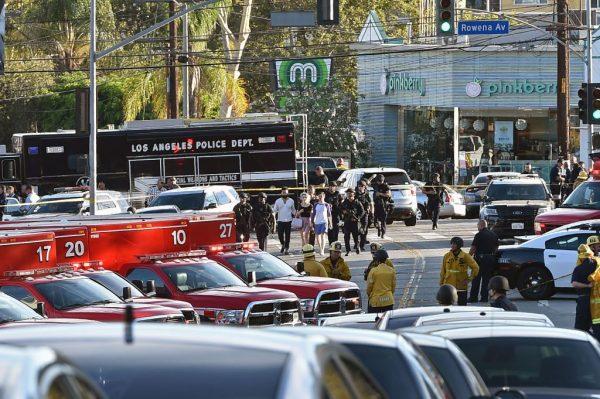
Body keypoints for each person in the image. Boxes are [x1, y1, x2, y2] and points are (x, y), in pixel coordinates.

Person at [440, 237, 479, 306]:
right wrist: (441, 284)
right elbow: (443, 270)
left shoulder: (465, 256)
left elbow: (475, 268)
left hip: (461, 286)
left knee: (462, 306)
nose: (452, 245)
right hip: (449, 285)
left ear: (459, 245)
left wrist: (469, 279)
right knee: (447, 306)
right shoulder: (447, 256)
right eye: (451, 243)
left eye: (454, 244)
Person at [469, 219, 499, 303]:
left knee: (476, 279)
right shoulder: (494, 234)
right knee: (486, 280)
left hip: (480, 259)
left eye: (477, 226)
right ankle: (484, 298)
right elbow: (496, 249)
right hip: (490, 259)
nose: (477, 228)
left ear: (480, 225)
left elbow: (473, 248)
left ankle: (473, 298)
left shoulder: (479, 235)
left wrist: (467, 258)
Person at [571, 244, 596, 332]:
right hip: (596, 301)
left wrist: (587, 286)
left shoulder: (578, 268)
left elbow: (574, 284)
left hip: (584, 300)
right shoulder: (596, 265)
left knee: (581, 328)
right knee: (596, 326)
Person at [366, 249, 396, 313]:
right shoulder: (391, 270)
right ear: (386, 259)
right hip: (388, 300)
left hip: (376, 301)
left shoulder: (373, 271)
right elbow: (393, 286)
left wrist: (370, 295)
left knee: (374, 320)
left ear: (377, 260)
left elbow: (369, 287)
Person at [340, 188, 365, 256]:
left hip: (355, 222)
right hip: (347, 222)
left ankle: (357, 248)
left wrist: (358, 218)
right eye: (348, 193)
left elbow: (362, 212)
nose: (349, 195)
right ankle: (348, 250)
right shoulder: (344, 203)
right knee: (346, 237)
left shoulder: (357, 202)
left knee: (356, 236)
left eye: (351, 193)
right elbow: (340, 210)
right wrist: (343, 212)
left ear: (353, 194)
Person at [273, 187, 296, 255]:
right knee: (280, 235)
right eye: (283, 192)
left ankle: (286, 249)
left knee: (287, 236)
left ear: (288, 193)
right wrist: (273, 216)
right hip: (280, 220)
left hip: (289, 220)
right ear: (281, 193)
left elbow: (293, 210)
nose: (285, 194)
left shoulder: (291, 201)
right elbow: (275, 210)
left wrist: (297, 214)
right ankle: (283, 244)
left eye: (286, 192)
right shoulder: (278, 201)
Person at [311, 192, 332, 256]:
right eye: (319, 196)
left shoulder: (327, 205)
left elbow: (329, 215)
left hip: (324, 222)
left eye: (321, 196)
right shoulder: (315, 205)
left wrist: (330, 223)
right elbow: (313, 214)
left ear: (324, 197)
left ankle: (322, 250)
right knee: (318, 236)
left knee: (323, 235)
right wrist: (312, 222)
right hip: (317, 222)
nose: (320, 198)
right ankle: (320, 248)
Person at [355, 180, 373, 251]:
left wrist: (371, 212)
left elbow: (370, 203)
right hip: (357, 215)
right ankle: (356, 244)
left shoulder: (366, 194)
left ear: (364, 187)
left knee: (364, 230)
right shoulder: (355, 194)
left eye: (362, 186)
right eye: (359, 186)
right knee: (356, 231)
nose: (361, 187)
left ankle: (362, 245)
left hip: (365, 214)